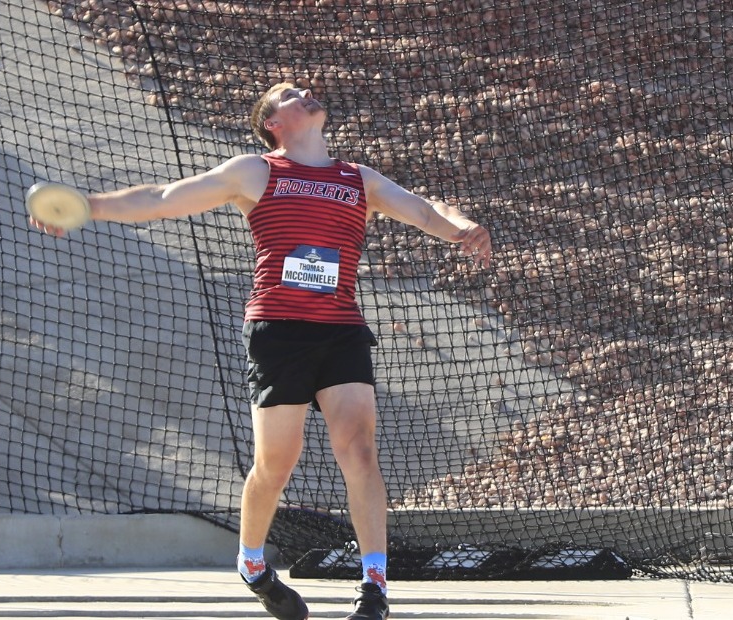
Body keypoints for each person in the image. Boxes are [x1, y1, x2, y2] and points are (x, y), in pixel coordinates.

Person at [30, 82, 492, 620]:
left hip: (340, 327)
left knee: (360, 450)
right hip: (278, 331)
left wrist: (462, 228)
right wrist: (88, 206)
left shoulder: (356, 179)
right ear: (273, 122)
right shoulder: (256, 171)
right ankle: (252, 564)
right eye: (290, 94)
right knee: (277, 464)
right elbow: (161, 199)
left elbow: (423, 209)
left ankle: (374, 588)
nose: (307, 93)